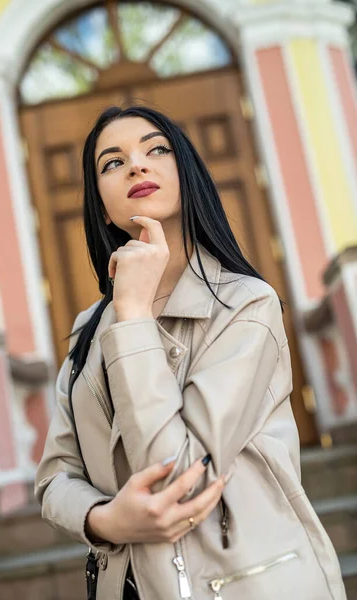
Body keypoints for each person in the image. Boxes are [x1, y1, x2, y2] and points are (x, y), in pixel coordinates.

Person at [35, 105, 345, 600]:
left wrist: (133, 313)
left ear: (188, 172)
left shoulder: (246, 306)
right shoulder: (87, 330)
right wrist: (106, 520)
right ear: (100, 201)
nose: (136, 165)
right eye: (112, 162)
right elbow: (55, 480)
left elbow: (179, 476)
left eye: (156, 149)